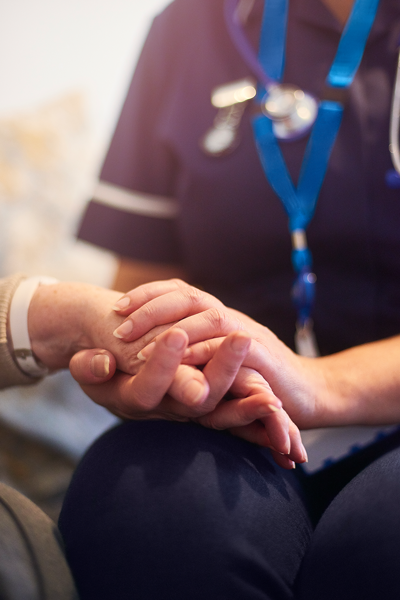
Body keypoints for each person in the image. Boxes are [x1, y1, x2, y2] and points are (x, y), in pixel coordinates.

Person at [60, 0, 400, 598]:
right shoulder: (187, 29)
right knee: (147, 513)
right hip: (234, 417)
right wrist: (151, 365)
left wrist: (323, 384)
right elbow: (139, 288)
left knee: (376, 547)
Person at [1, 272, 303, 600]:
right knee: (149, 493)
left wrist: (323, 381)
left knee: (362, 538)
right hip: (226, 407)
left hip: (357, 417)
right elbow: (138, 301)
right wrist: (97, 330)